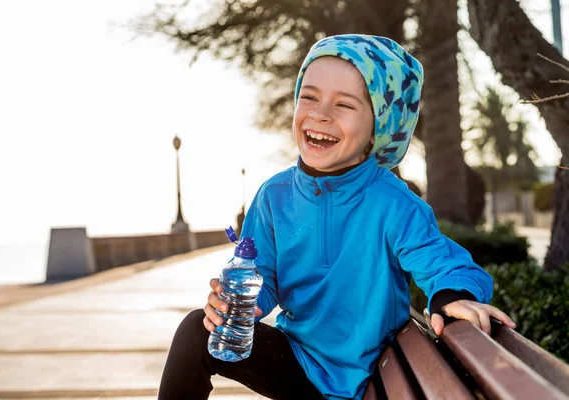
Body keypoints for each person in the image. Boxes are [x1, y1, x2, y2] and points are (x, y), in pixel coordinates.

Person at [157, 34, 516, 400]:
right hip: (297, 361)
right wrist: (237, 304)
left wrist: (451, 295)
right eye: (309, 96)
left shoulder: (392, 204)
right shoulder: (274, 196)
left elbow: (446, 264)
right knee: (194, 331)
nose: (320, 114)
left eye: (344, 105)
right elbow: (263, 278)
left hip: (361, 378)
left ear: (379, 127)